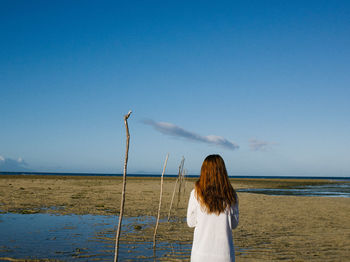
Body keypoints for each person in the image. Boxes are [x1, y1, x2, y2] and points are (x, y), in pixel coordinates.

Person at [187, 154, 239, 262]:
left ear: (204, 172)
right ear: (223, 172)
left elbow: (191, 223)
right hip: (224, 255)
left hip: (200, 255)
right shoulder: (231, 195)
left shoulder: (196, 194)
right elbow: (234, 224)